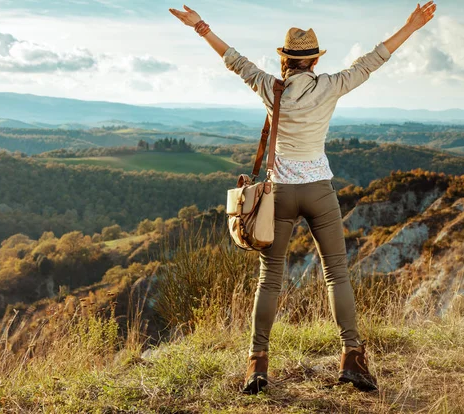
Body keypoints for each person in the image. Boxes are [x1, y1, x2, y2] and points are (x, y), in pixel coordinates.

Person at [169, 1, 437, 394]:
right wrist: (411, 26)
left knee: (269, 279)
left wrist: (200, 26)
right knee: (336, 274)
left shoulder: (268, 86)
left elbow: (234, 60)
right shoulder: (330, 86)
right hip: (319, 193)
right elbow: (374, 59)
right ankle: (352, 358)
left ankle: (256, 365)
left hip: (278, 198)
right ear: (313, 60)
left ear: (286, 60)